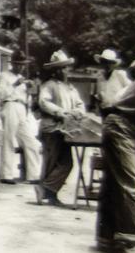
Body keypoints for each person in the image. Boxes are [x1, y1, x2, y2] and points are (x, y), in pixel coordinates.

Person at [96, 57, 135, 250]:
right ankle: (129, 237)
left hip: (124, 124)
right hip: (121, 124)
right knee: (129, 182)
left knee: (114, 184)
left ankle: (107, 236)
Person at [34, 50, 85, 206]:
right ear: (56, 71)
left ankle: (46, 188)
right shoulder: (49, 85)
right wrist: (60, 112)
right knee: (52, 161)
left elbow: (79, 104)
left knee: (66, 162)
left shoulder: (70, 88)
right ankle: (49, 193)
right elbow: (44, 102)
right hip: (52, 127)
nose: (65, 71)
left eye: (66, 68)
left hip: (66, 129)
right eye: (62, 68)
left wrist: (77, 112)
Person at [0, 50, 41, 184]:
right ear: (12, 64)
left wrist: (30, 89)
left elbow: (28, 98)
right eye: (18, 64)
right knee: (8, 139)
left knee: (30, 140)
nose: (20, 67)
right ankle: (6, 174)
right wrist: (15, 84)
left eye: (22, 64)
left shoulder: (22, 77)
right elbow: (1, 94)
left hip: (22, 108)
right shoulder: (4, 76)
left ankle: (34, 175)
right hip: (10, 106)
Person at [93, 49, 131, 114]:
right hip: (104, 109)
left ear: (113, 64)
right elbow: (99, 94)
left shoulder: (120, 74)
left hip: (118, 110)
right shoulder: (100, 76)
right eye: (104, 62)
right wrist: (98, 106)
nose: (106, 65)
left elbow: (130, 89)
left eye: (109, 62)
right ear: (101, 63)